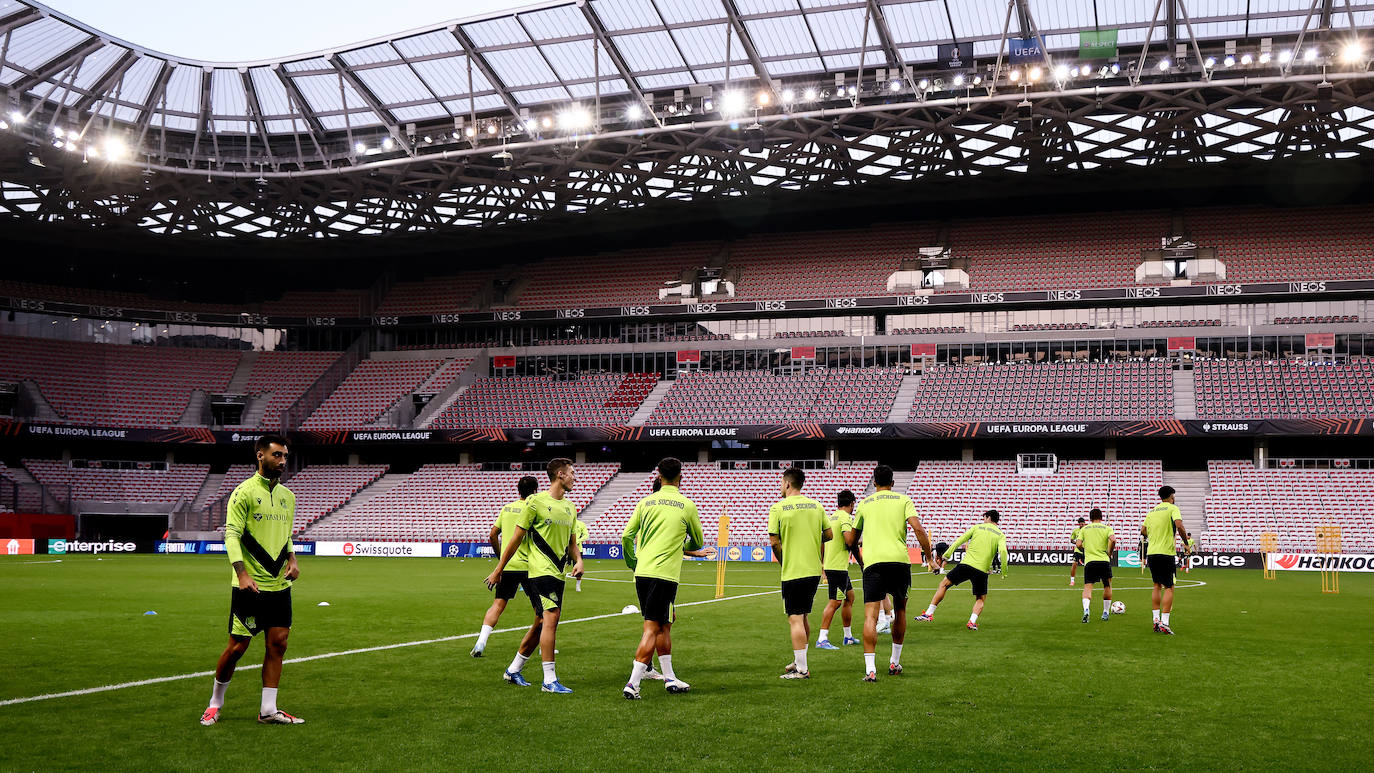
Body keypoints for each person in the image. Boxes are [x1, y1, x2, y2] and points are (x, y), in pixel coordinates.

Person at [200, 434, 303, 726]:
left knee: (278, 644)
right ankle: (214, 703)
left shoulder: (288, 496)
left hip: (279, 585)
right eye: (277, 455)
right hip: (251, 584)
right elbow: (231, 534)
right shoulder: (243, 492)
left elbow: (286, 534)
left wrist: (292, 559)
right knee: (237, 647)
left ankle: (268, 710)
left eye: (285, 456)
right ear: (260, 455)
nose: (282, 461)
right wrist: (241, 573)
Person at [484, 458, 585, 692]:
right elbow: (515, 539)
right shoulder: (535, 502)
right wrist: (499, 570)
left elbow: (572, 543)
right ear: (560, 474)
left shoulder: (570, 507)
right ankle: (549, 680)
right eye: (571, 473)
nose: (575, 477)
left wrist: (579, 560)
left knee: (541, 622)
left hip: (559, 573)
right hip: (540, 570)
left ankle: (513, 670)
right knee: (552, 618)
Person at [620, 457, 704, 699]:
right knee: (652, 627)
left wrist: (633, 562)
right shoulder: (686, 505)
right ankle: (633, 683)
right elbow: (697, 541)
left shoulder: (645, 502)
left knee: (666, 622)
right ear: (681, 476)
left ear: (658, 475)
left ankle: (669, 678)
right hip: (665, 574)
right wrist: (682, 544)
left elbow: (627, 535)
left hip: (643, 573)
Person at [852, 465, 933, 681]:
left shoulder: (864, 503)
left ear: (875, 483)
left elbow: (852, 538)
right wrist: (930, 558)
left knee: (870, 615)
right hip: (899, 562)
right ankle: (894, 663)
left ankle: (870, 669)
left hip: (873, 563)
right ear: (893, 483)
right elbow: (918, 529)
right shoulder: (903, 500)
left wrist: (858, 556)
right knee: (901, 611)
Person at [768, 467, 832, 680]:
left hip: (794, 569)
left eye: (781, 483)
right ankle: (799, 660)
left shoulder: (778, 508)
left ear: (787, 484)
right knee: (803, 615)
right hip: (813, 569)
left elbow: (774, 542)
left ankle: (802, 670)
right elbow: (829, 534)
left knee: (794, 618)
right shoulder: (816, 505)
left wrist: (784, 560)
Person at [471, 475, 539, 658]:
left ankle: (481, 641)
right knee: (540, 609)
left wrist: (501, 558)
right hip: (530, 566)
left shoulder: (507, 508)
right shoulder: (534, 508)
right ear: (535, 491)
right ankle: (541, 645)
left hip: (508, 565)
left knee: (498, 604)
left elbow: (493, 535)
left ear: (518, 491)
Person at [915, 510, 1008, 631]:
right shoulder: (1000, 534)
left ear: (989, 517)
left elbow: (959, 541)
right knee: (980, 598)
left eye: (984, 517)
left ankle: (928, 613)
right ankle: (972, 622)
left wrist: (947, 555)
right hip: (982, 570)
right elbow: (1004, 552)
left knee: (944, 585)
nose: (983, 520)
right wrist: (1004, 571)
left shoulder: (977, 528)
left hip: (966, 565)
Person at [817, 489, 862, 650]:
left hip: (833, 565)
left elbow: (823, 541)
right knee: (835, 602)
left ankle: (848, 636)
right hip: (837, 568)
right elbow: (850, 541)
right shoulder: (845, 517)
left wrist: (823, 564)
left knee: (849, 597)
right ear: (851, 503)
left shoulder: (832, 517)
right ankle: (822, 638)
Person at [1142, 486, 1187, 635]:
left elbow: (1143, 531)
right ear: (1171, 496)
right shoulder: (1172, 508)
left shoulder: (1152, 511)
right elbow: (1179, 525)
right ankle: (1165, 622)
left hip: (1152, 553)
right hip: (1166, 553)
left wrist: (1154, 536)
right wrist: (1186, 543)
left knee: (1156, 585)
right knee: (1169, 587)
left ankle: (1155, 620)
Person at [1076, 508, 1116, 623]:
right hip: (1104, 560)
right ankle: (1105, 612)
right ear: (1101, 517)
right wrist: (1110, 552)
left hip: (1090, 562)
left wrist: (1084, 549)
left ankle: (1086, 610)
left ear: (1090, 518)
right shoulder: (1107, 528)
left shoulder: (1084, 529)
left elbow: (1078, 543)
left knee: (1088, 587)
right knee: (1107, 586)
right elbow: (1113, 540)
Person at [571, 517, 589, 591]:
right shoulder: (567, 522)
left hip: (578, 550)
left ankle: (578, 585)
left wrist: (578, 540)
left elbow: (586, 535)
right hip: (566, 549)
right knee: (562, 567)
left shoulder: (581, 524)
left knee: (579, 569)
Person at [1069, 517, 1086, 586]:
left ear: (1084, 523)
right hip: (1078, 550)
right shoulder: (1076, 531)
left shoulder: (1087, 530)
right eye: (1080, 524)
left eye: (1083, 524)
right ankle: (1072, 581)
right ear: (1078, 524)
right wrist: (1076, 543)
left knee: (1089, 566)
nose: (1081, 525)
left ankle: (1090, 580)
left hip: (1086, 550)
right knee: (1074, 564)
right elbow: (1071, 540)